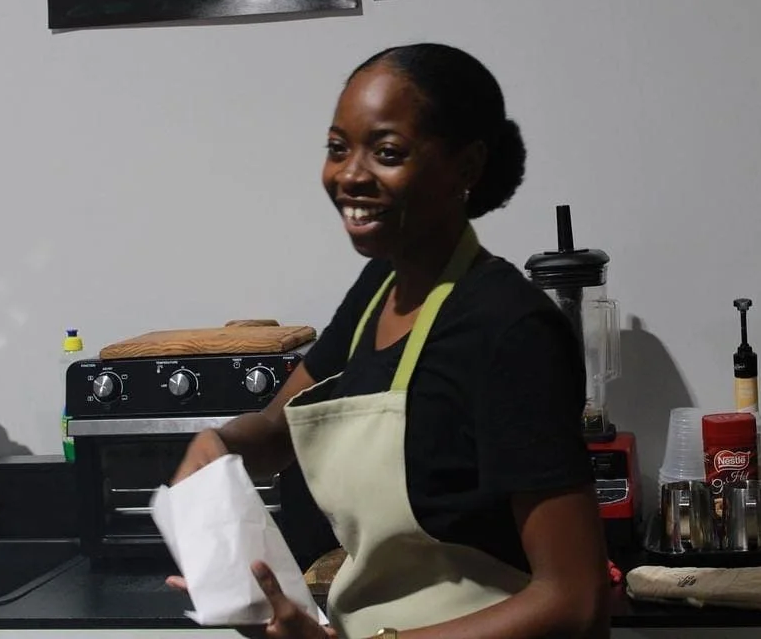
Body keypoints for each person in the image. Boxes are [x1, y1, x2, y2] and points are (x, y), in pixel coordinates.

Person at [168, 43, 610, 639]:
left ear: (467, 167)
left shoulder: (512, 330)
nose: (350, 174)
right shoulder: (381, 288)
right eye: (336, 148)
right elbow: (276, 433)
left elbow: (573, 599)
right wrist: (218, 446)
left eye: (387, 152)